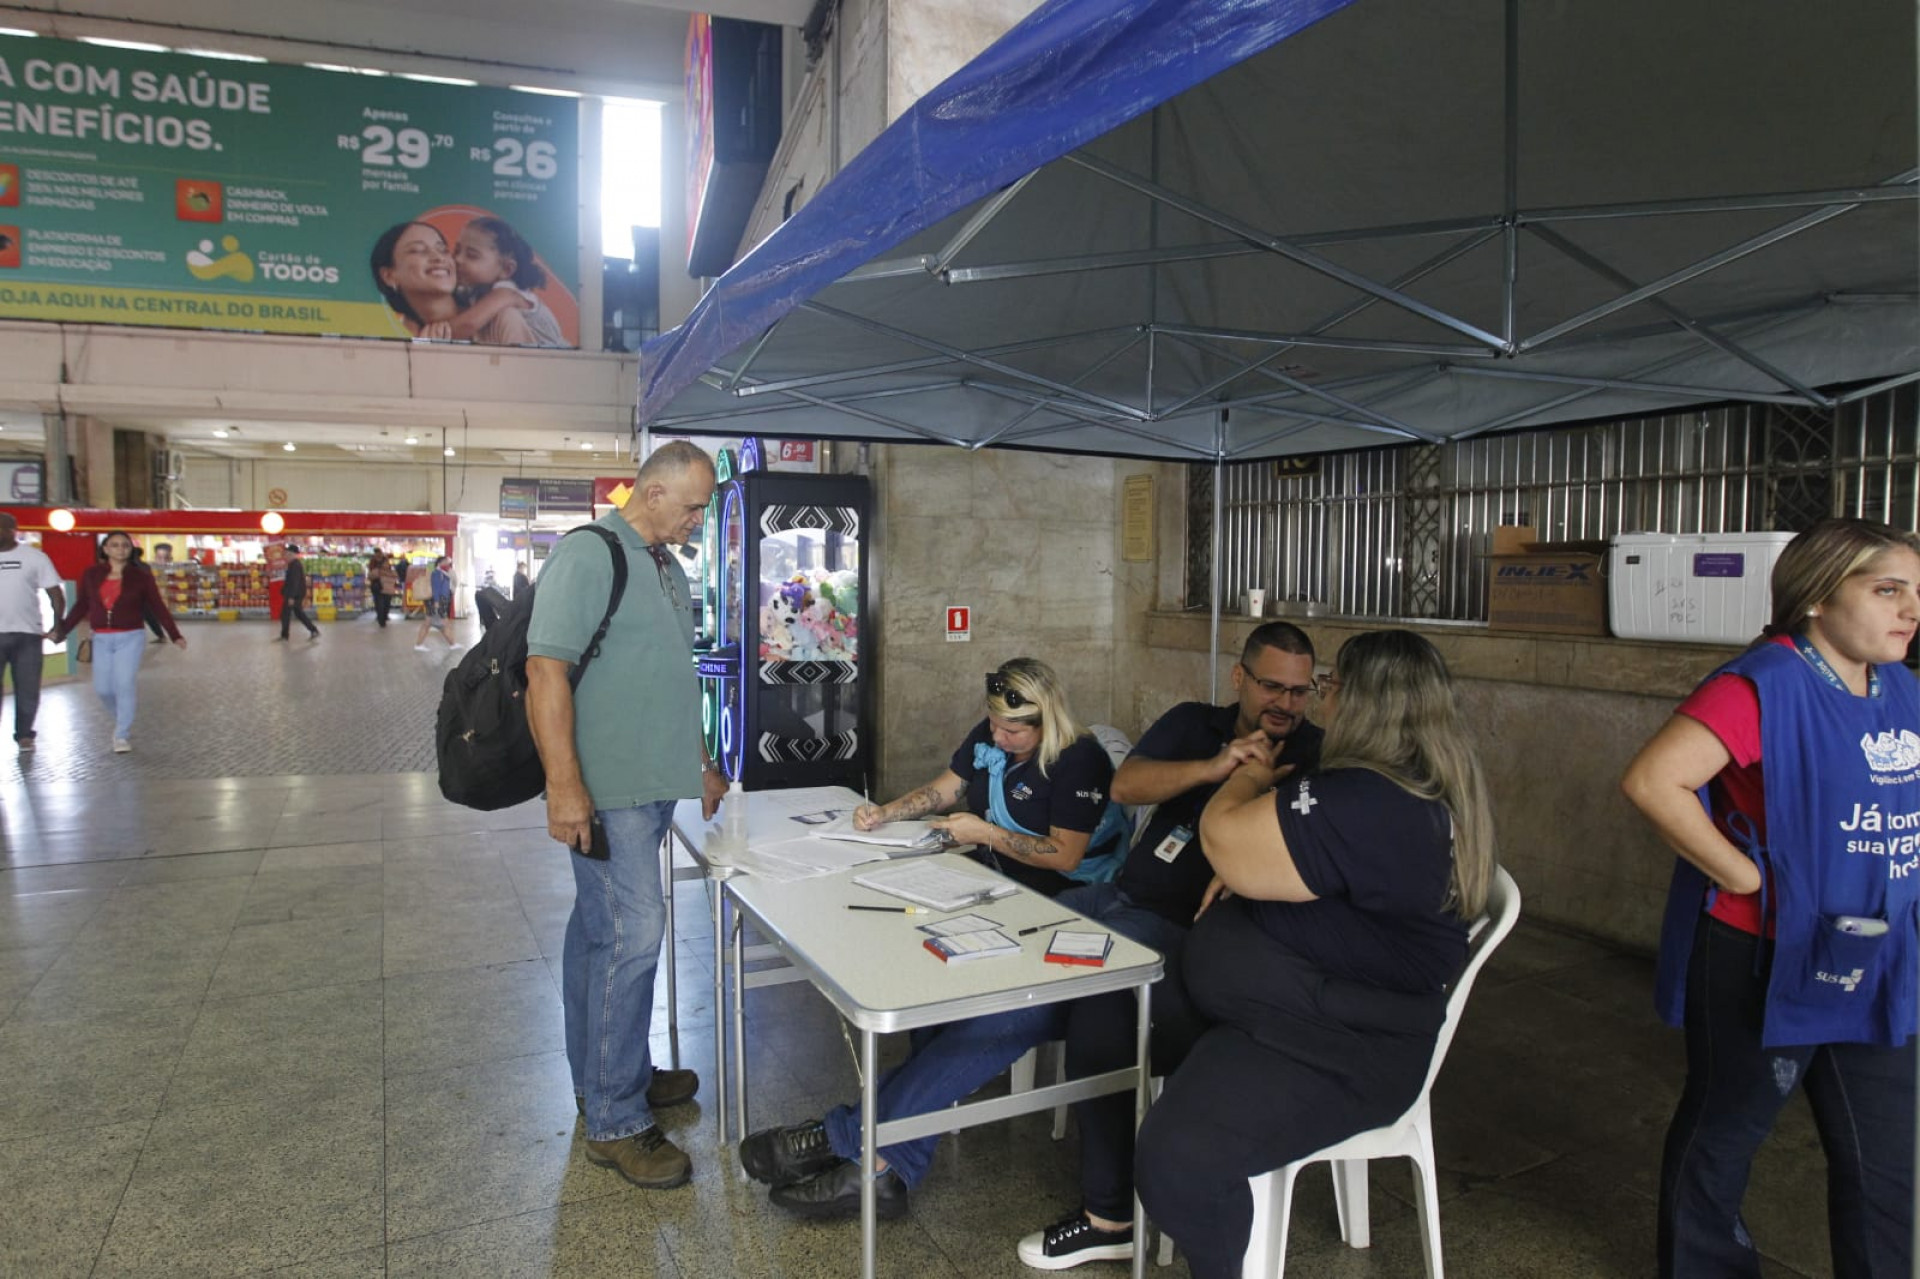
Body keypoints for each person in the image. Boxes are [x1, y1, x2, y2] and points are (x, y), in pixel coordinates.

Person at [1134, 630, 1496, 1279]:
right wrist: (1249, 875)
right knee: (1118, 1017)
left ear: (1365, 700)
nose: (1320, 692)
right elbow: (1294, 871)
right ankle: (1107, 1212)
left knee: (1176, 1160)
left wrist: (1245, 780)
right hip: (1287, 1014)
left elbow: (1221, 835)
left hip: (1340, 1046)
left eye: (1330, 682)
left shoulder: (1371, 798)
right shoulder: (1385, 786)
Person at [1621, 517, 1920, 1279]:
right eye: (1888, 589)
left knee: (1882, 1152)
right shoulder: (1762, 683)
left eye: (1915, 591)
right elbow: (1655, 781)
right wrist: (1746, 877)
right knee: (1727, 1128)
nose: (1910, 608)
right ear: (1818, 596)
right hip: (1765, 951)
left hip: (1876, 952)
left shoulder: (1901, 688)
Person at [739, 656, 1140, 1218]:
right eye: (995, 724)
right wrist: (886, 813)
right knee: (926, 982)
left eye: (1014, 730)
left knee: (975, 1018)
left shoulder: (1079, 761)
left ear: (1047, 719)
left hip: (1066, 906)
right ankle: (882, 1160)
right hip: (997, 891)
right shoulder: (993, 738)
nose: (1000, 737)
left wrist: (987, 834)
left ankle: (846, 1139)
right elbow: (946, 790)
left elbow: (1065, 854)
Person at [1012, 623, 1325, 1268]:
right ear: (1239, 677)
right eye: (1272, 686)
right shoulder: (1195, 723)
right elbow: (1126, 787)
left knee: (1100, 1006)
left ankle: (1109, 1216)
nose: (1286, 704)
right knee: (1004, 946)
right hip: (1120, 894)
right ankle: (903, 1131)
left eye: (1300, 692)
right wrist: (1216, 768)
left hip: (1185, 929)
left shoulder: (1319, 753)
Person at [526, 440, 726, 1191]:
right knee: (632, 936)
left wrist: (700, 760)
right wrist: (563, 784)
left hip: (653, 781)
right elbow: (544, 670)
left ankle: (615, 1073)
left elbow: (670, 672)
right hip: (607, 789)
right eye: (695, 504)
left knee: (598, 934)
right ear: (652, 492)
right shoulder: (591, 554)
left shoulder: (664, 563)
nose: (699, 519)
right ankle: (613, 1119)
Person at [52, 529, 189, 753]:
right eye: (114, 545)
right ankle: (122, 717)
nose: (120, 549)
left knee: (124, 683)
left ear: (130, 550)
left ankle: (121, 734)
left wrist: (174, 634)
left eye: (124, 545)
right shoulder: (91, 575)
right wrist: (62, 631)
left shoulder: (141, 577)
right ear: (105, 549)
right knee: (103, 688)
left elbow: (157, 606)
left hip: (130, 636)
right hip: (101, 638)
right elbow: (81, 606)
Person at [369, 220, 537, 346]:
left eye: (442, 249)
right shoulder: (393, 334)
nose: (438, 257)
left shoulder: (500, 319)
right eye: (418, 250)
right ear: (389, 276)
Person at [0, 511, 65, 753]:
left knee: (28, 687)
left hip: (28, 635)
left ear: (12, 531)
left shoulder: (34, 557)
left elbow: (54, 593)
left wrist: (58, 624)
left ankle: (25, 734)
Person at [450, 216, 568, 347]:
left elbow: (468, 324)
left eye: (472, 256)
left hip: (556, 360)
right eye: (457, 251)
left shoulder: (506, 292)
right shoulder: (474, 288)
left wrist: (430, 335)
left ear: (506, 269)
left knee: (505, 315)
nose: (458, 259)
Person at [413, 558, 459, 650]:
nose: (448, 564)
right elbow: (436, 588)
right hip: (437, 601)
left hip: (437, 601)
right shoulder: (437, 573)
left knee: (431, 623)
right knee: (440, 623)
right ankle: (452, 644)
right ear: (440, 562)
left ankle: (419, 645)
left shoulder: (442, 573)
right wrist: (437, 601)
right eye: (446, 562)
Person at [277, 544, 320, 642]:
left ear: (292, 554)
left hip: (295, 594)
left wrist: (291, 597)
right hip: (295, 593)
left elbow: (295, 582)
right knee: (297, 613)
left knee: (286, 614)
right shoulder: (293, 564)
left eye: (287, 554)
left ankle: (285, 635)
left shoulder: (295, 565)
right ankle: (313, 630)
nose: (285, 556)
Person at [368, 551, 399, 628]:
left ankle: (383, 618)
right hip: (379, 589)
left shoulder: (390, 571)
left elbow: (396, 576)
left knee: (386, 605)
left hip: (388, 590)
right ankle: (381, 620)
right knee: (380, 605)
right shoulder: (377, 569)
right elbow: (370, 576)